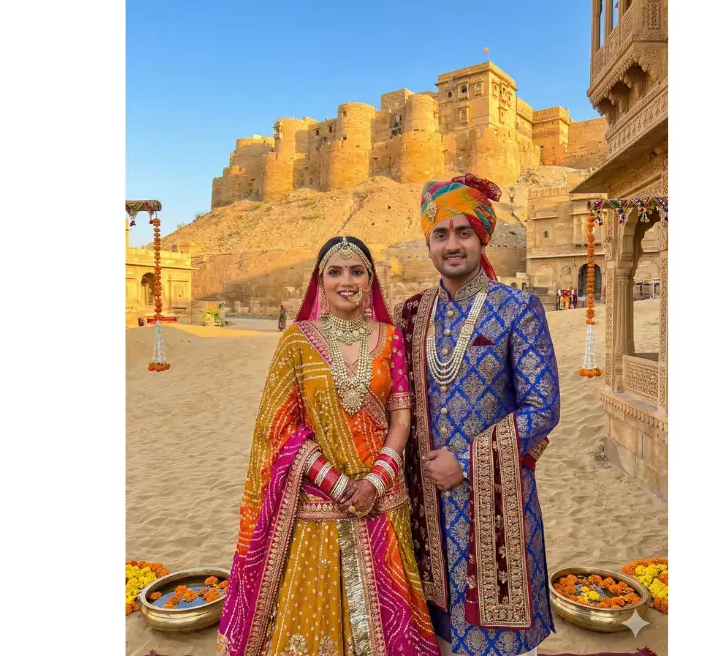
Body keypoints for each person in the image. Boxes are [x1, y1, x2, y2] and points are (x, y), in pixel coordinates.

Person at [218, 236, 439, 656]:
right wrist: (338, 484)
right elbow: (278, 430)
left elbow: (402, 417)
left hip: (382, 500)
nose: (346, 281)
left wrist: (375, 480)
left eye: (356, 271)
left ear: (370, 280)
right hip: (317, 503)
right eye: (335, 272)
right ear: (320, 281)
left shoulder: (390, 339)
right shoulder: (298, 341)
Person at [397, 175, 561, 656]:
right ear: (428, 242)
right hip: (423, 506)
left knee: (496, 642)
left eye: (463, 232)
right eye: (441, 234)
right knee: (437, 632)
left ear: (481, 237)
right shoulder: (411, 313)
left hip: (496, 502)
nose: (452, 245)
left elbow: (542, 409)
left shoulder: (517, 308)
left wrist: (466, 464)